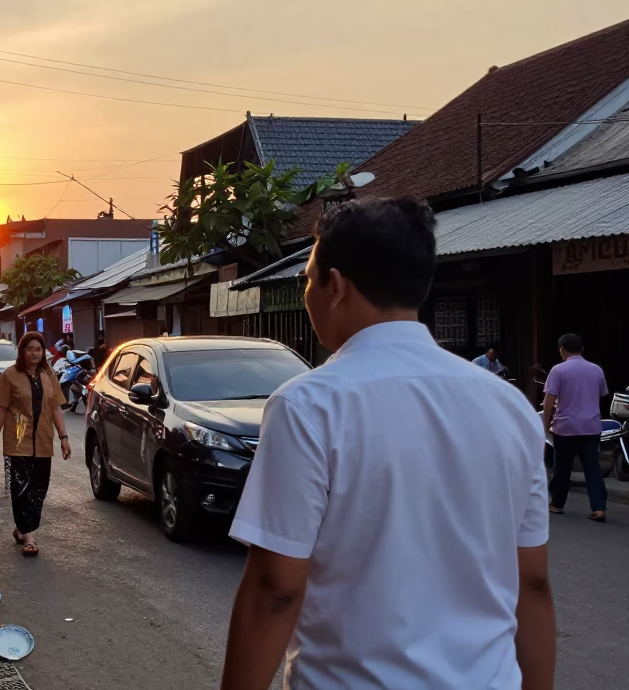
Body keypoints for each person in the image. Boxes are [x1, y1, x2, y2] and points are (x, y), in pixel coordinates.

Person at [221, 197, 553, 690]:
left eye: (309, 279)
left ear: (336, 286)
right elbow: (533, 583)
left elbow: (276, 589)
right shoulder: (511, 408)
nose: (308, 292)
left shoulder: (309, 406)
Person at [0, 331, 72, 557]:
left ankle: (22, 528)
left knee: (39, 489)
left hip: (44, 441)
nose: (34, 353)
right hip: (18, 439)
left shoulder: (48, 374)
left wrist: (63, 438)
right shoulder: (10, 375)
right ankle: (29, 537)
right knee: (22, 489)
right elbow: (1, 409)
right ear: (22, 351)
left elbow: (56, 408)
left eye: (38, 349)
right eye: (30, 349)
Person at [544, 332, 609, 522]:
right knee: (592, 468)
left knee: (562, 467)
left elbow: (549, 401)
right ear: (582, 349)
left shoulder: (558, 370)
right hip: (591, 426)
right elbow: (601, 393)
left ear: (562, 350)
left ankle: (557, 504)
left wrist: (545, 424)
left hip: (566, 426)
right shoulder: (596, 370)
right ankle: (599, 508)